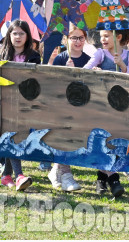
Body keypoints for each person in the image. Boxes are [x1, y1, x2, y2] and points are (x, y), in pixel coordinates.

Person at [84, 28, 129, 197]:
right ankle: (113, 179)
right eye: (101, 36)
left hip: (121, 106)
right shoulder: (100, 54)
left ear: (117, 36)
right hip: (101, 105)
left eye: (106, 36)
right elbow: (85, 69)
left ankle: (101, 178)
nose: (102, 39)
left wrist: (121, 65)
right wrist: (94, 71)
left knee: (115, 142)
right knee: (101, 140)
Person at [46, 25, 90, 192]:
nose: (78, 41)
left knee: (72, 139)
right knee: (64, 137)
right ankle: (66, 174)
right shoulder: (61, 58)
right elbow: (55, 82)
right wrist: (65, 70)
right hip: (62, 105)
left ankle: (56, 170)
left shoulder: (88, 58)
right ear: (66, 40)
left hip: (80, 106)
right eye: (74, 38)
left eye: (81, 38)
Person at [0, 19, 39, 191]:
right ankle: (19, 175)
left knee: (15, 135)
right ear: (9, 35)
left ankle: (6, 175)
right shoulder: (0, 53)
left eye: (22, 33)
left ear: (27, 36)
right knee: (10, 134)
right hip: (4, 102)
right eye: (14, 33)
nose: (18, 36)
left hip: (24, 102)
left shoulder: (34, 55)